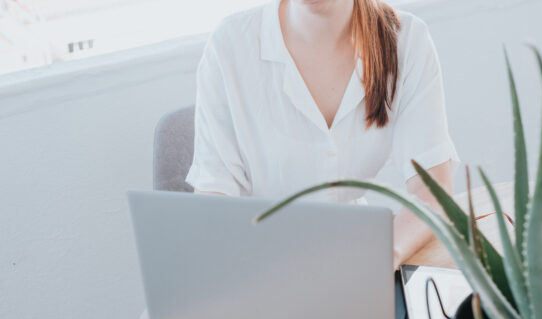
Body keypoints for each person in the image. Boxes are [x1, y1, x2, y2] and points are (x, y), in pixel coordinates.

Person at [185, 0, 460, 269]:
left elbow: (432, 191)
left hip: (352, 258)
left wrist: (382, 257)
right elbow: (214, 200)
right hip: (256, 263)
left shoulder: (407, 41)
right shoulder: (230, 45)